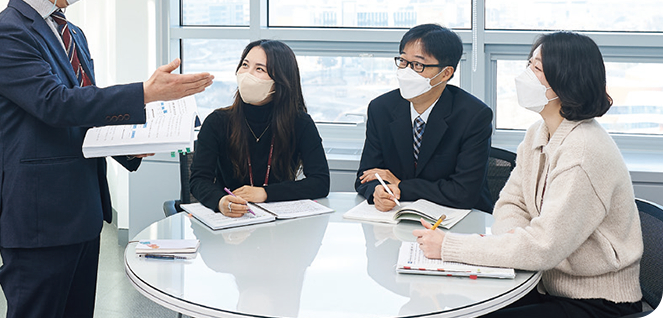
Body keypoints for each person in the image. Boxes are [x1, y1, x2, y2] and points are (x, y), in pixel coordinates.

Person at [0, 0, 214, 318]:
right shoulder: (7, 33)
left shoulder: (71, 33)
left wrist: (135, 145)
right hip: (40, 220)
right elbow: (56, 104)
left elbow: (84, 111)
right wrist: (143, 92)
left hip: (82, 212)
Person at [414, 31, 643, 317]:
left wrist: (449, 247)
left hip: (596, 302)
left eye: (536, 69)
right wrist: (515, 243)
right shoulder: (539, 132)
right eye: (529, 64)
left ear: (565, 82)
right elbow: (512, 203)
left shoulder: (584, 152)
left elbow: (542, 247)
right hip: (542, 283)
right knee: (457, 303)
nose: (525, 75)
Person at [355, 24, 493, 213]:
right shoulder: (381, 109)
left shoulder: (473, 116)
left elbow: (463, 193)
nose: (406, 72)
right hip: (396, 216)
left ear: (446, 73)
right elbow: (365, 177)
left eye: (418, 65)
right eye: (403, 61)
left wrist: (401, 186)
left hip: (457, 220)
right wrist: (378, 191)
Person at [190, 40, 330, 216]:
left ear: (281, 79)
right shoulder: (217, 121)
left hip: (281, 223)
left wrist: (264, 193)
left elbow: (320, 182)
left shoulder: (300, 122)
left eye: (259, 69)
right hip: (231, 220)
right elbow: (198, 180)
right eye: (245, 65)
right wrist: (220, 201)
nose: (247, 74)